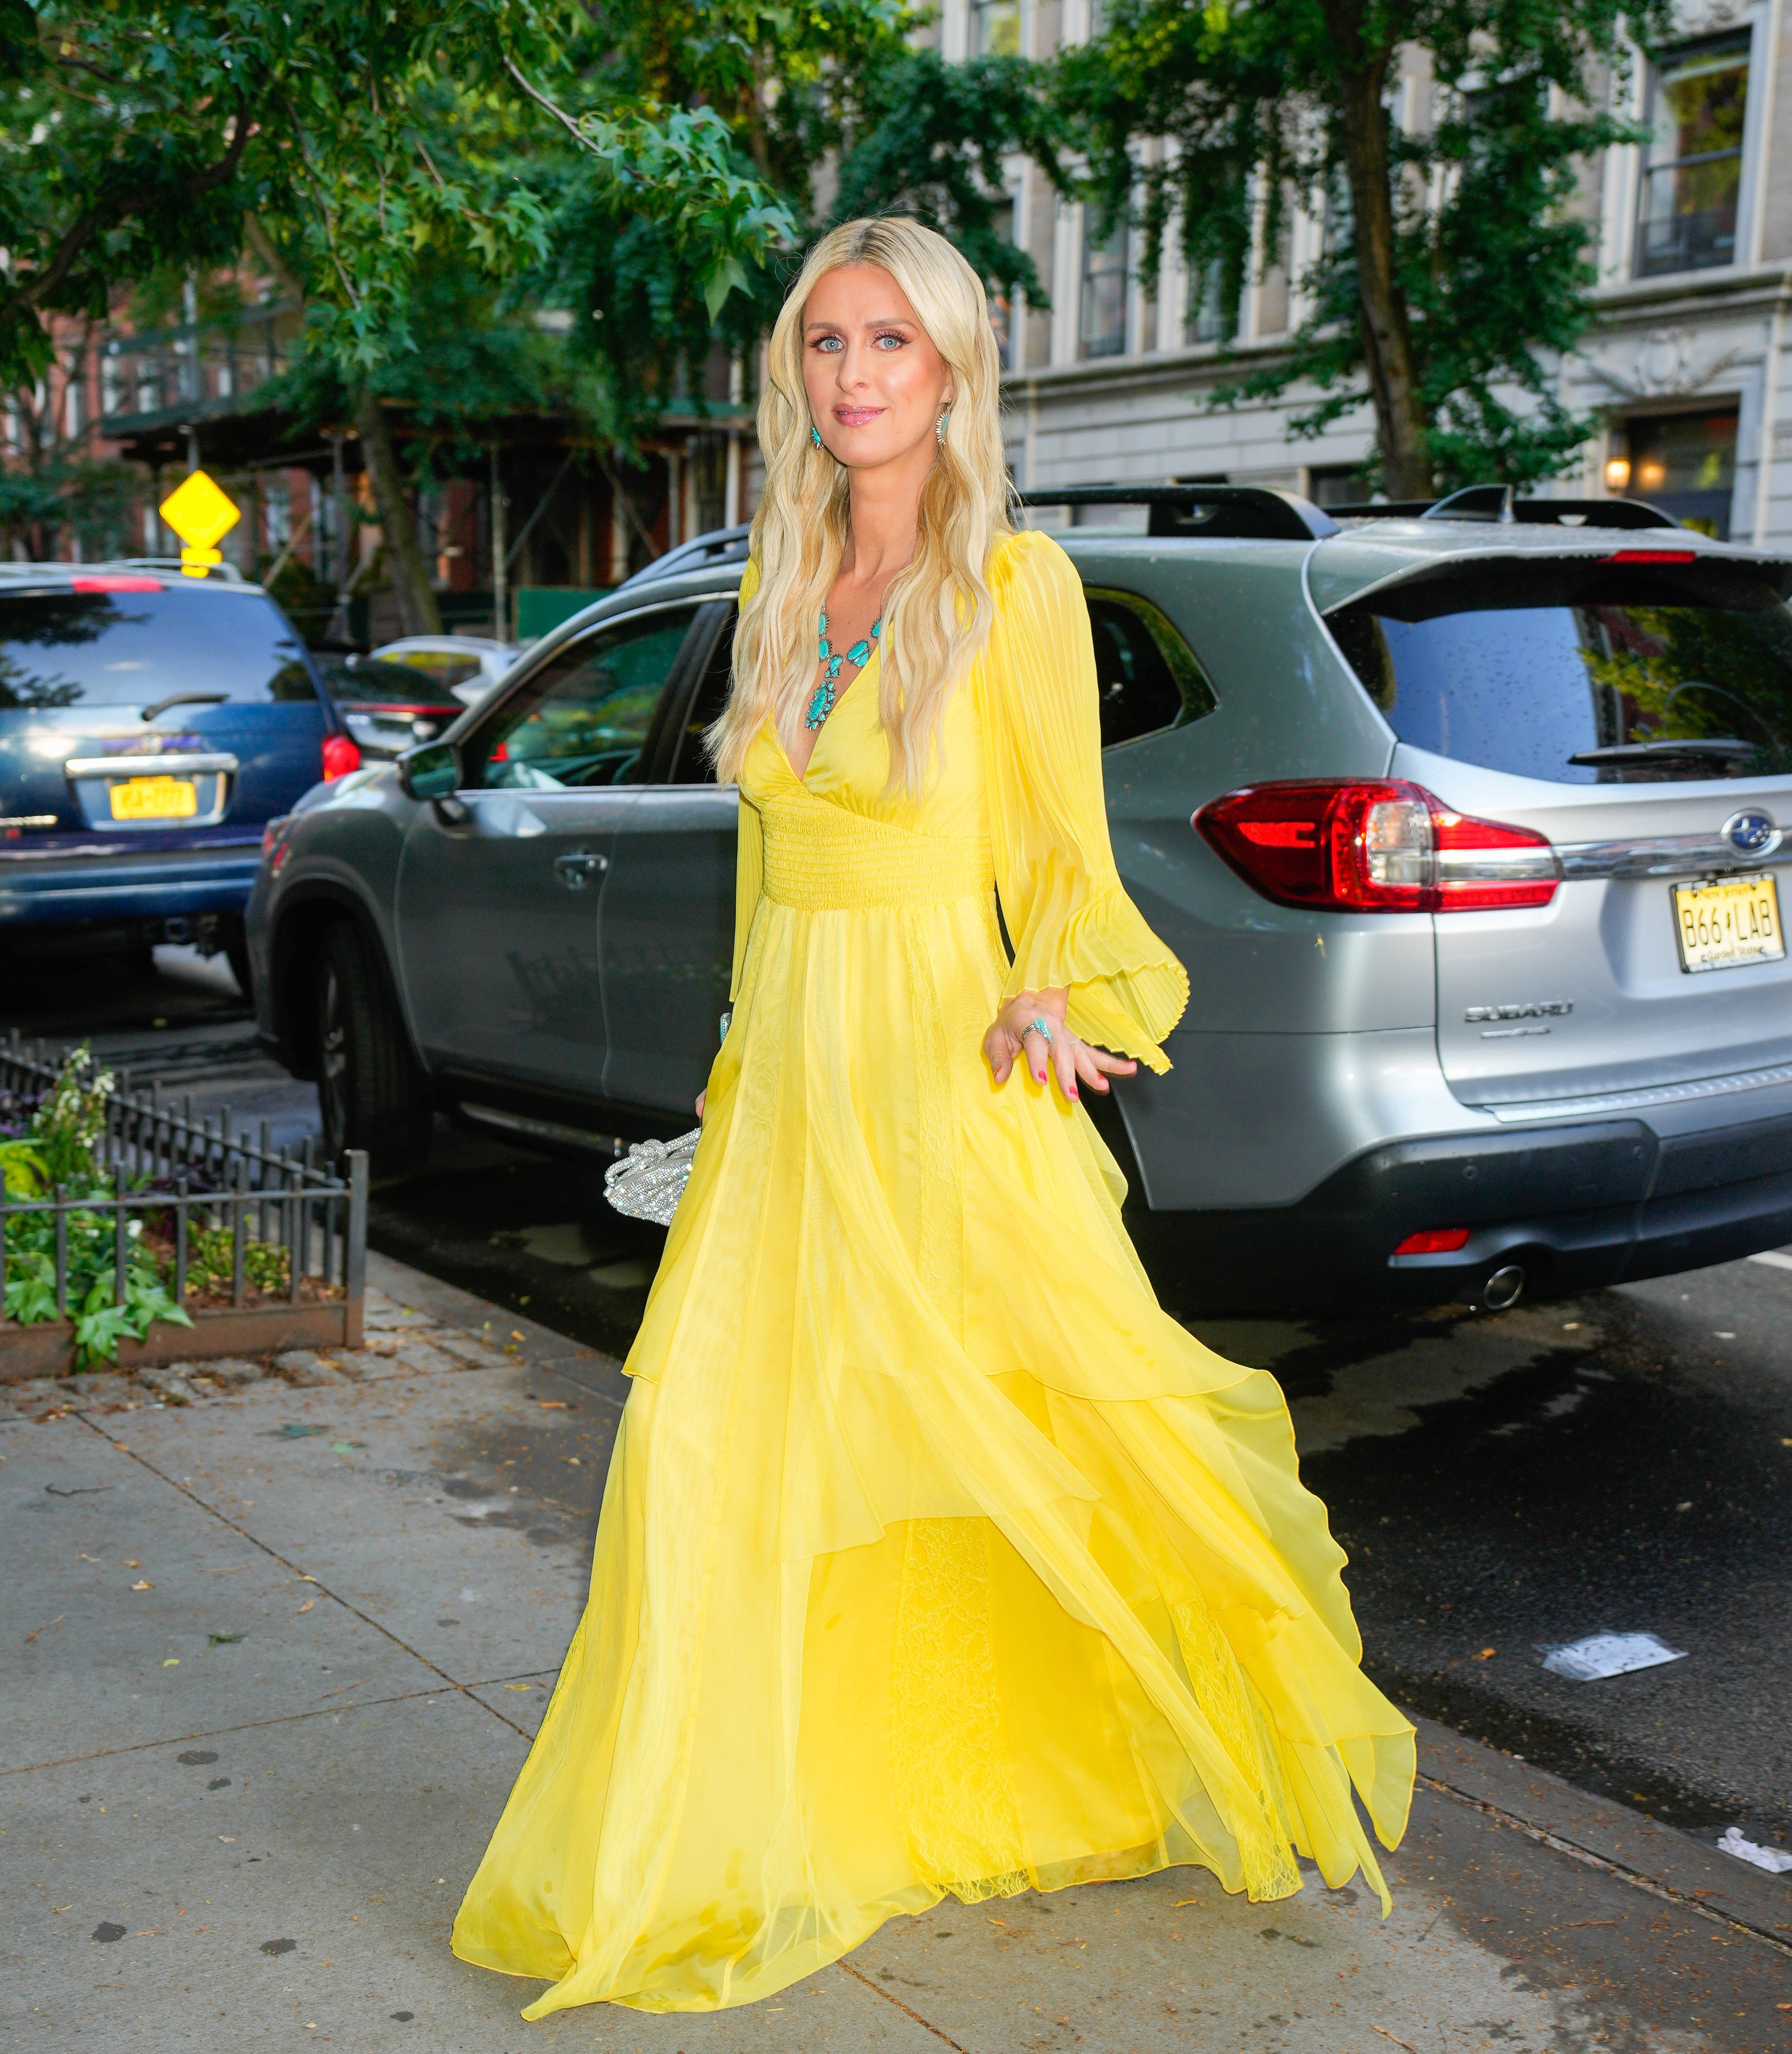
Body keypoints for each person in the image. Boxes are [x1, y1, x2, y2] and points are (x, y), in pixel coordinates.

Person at [451, 215, 1414, 2019]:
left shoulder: (1016, 587)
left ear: (955, 369)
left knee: (1035, 1423)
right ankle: (750, 1812)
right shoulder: (771, 581)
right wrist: (731, 1083)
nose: (853, 377)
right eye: (825, 345)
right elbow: (759, 878)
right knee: (718, 1446)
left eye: (889, 342)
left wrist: (1073, 988)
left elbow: (1058, 847)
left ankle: (1111, 1748)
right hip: (794, 1079)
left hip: (937, 1060)